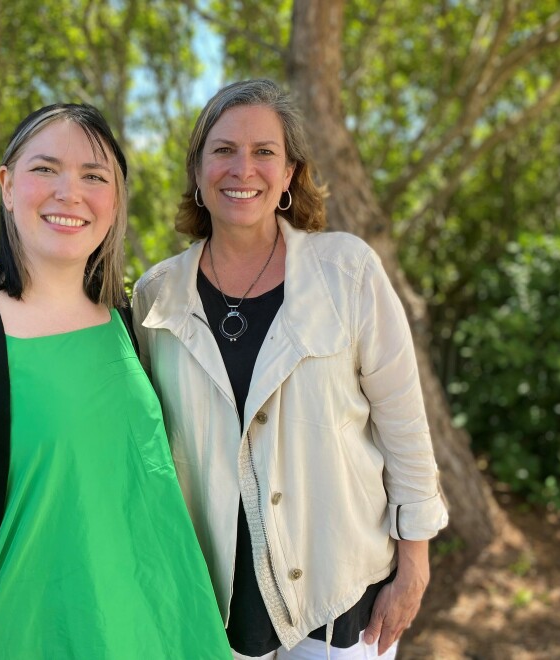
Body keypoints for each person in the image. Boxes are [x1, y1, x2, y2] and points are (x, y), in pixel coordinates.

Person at [0, 103, 231, 659]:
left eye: (94, 176)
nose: (69, 192)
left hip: (171, 634)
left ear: (116, 200)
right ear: (7, 185)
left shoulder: (129, 319)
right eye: (45, 169)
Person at [132, 79, 449, 660]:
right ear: (198, 172)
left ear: (289, 175)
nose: (241, 168)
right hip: (214, 605)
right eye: (222, 150)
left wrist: (415, 567)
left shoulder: (347, 272)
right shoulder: (156, 296)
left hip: (340, 598)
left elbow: (404, 425)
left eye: (263, 152)